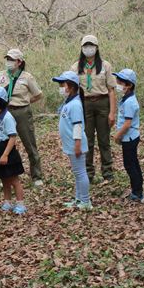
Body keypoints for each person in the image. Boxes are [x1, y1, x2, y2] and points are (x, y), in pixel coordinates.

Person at [0, 49, 44, 187]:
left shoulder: (27, 77)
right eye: (7, 59)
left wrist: (25, 101)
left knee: (29, 143)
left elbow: (38, 94)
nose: (9, 62)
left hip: (22, 112)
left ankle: (36, 175)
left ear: (19, 62)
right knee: (4, 143)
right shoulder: (0, 76)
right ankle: (6, 175)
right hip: (4, 112)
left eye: (12, 60)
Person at [71, 35, 116, 183]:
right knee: (87, 140)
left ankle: (108, 173)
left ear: (96, 48)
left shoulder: (105, 66)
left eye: (91, 46)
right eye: (85, 46)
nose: (88, 49)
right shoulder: (76, 67)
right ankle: (88, 173)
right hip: (85, 104)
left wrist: (112, 112)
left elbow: (111, 90)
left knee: (104, 140)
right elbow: (72, 90)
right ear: (81, 48)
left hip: (102, 103)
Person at [52, 71, 91, 210]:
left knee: (80, 172)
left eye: (63, 84)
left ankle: (85, 201)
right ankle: (79, 199)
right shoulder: (69, 102)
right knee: (77, 173)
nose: (61, 87)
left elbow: (78, 125)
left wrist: (77, 144)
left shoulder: (75, 105)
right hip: (71, 144)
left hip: (76, 145)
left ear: (71, 86)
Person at [0, 86, 26, 214]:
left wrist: (5, 155)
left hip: (7, 150)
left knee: (13, 179)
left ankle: (20, 203)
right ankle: (7, 201)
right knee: (4, 178)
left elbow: (12, 137)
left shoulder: (7, 117)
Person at [112, 69, 144, 202]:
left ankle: (137, 193)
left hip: (129, 138)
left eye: (121, 82)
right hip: (129, 137)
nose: (118, 84)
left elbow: (127, 124)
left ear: (129, 85)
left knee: (130, 164)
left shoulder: (130, 102)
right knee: (133, 163)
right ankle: (138, 189)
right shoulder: (126, 99)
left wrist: (117, 136)